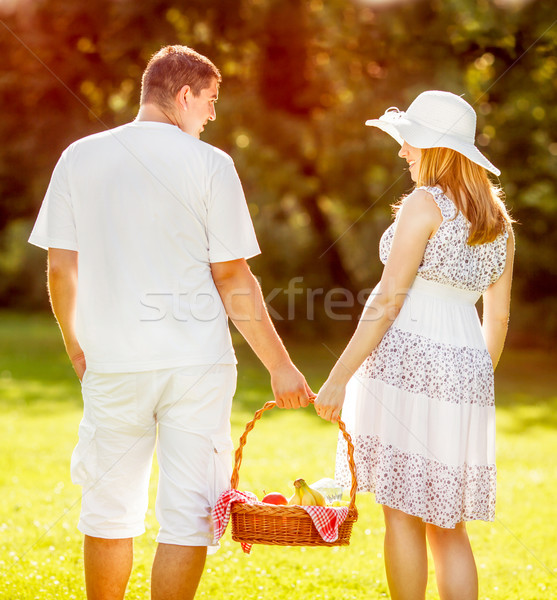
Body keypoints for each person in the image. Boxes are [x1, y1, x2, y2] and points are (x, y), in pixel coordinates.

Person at [29, 45, 313, 600]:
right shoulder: (211, 165)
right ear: (183, 96)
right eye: (209, 102)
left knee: (108, 512)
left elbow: (61, 268)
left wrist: (75, 344)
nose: (211, 116)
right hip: (197, 366)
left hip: (112, 360)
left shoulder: (78, 157)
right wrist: (280, 366)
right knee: (189, 516)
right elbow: (234, 278)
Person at [314, 90, 514, 600]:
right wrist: (471, 383)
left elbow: (387, 299)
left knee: (402, 515)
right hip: (467, 368)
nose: (403, 151)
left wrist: (338, 379)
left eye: (410, 142)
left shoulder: (425, 204)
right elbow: (500, 318)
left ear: (436, 150)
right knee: (448, 524)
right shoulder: (500, 225)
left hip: (408, 361)